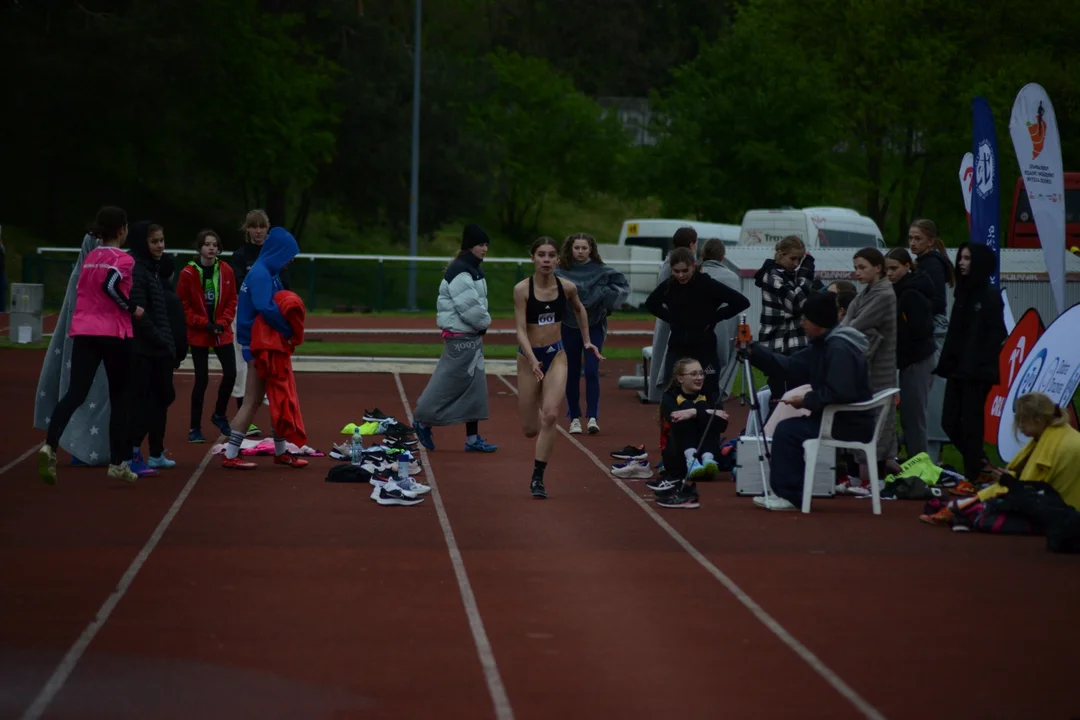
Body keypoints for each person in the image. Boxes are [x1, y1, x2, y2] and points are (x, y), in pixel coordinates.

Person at [38, 207, 143, 485]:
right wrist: (132, 307)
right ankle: (118, 463)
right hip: (114, 334)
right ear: (121, 229)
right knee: (120, 396)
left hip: (84, 332)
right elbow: (111, 286)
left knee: (76, 392)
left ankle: (50, 444)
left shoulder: (90, 257)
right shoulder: (123, 259)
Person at [749, 292, 875, 511]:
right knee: (790, 429)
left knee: (788, 431)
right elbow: (789, 367)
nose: (801, 323)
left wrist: (805, 400)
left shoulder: (838, 349)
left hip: (849, 423)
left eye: (805, 318)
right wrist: (752, 351)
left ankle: (789, 495)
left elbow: (840, 392)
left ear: (819, 322)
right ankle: (789, 492)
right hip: (837, 417)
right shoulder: (824, 344)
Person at [514, 237, 602, 499]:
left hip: (556, 355)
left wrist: (587, 341)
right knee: (530, 429)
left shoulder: (567, 287)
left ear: (557, 259)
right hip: (529, 356)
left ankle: (538, 478)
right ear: (533, 258)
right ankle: (539, 403)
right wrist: (532, 360)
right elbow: (519, 330)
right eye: (541, 255)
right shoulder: (522, 289)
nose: (547, 260)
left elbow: (580, 310)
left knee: (551, 416)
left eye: (551, 255)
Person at [920, 392, 1080, 527]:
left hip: (1063, 514)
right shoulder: (1056, 434)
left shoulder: (1051, 446)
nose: (1019, 426)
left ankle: (960, 510)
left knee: (985, 513)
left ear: (1037, 420)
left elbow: (1029, 493)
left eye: (1021, 420)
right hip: (1065, 508)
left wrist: (1004, 483)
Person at [221, 226, 308, 470]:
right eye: (290, 254)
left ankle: (280, 451)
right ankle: (230, 454)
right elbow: (265, 307)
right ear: (279, 251)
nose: (291, 259)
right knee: (253, 400)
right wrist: (289, 330)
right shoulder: (261, 273)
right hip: (258, 346)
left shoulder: (269, 272)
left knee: (276, 396)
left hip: (266, 343)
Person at [413, 223, 498, 454]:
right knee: (449, 384)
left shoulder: (472, 268)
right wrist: (484, 324)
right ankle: (422, 420)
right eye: (481, 244)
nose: (485, 249)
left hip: (471, 338)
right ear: (470, 246)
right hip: (461, 340)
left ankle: (472, 439)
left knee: (475, 390)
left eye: (487, 244)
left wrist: (480, 326)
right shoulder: (461, 271)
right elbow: (470, 308)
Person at [34, 231, 115, 466]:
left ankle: (54, 445)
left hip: (82, 338)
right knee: (96, 393)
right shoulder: (109, 267)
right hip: (98, 339)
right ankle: (109, 454)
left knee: (78, 392)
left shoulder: (84, 274)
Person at [934, 242, 1007, 493]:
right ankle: (981, 465)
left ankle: (973, 476)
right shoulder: (963, 293)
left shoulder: (989, 295)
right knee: (949, 421)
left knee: (972, 424)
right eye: (961, 258)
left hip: (977, 373)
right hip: (957, 370)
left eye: (967, 258)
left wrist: (977, 362)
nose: (962, 263)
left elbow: (997, 333)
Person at [646, 247, 750, 400]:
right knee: (672, 390)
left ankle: (709, 420)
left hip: (704, 346)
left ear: (694, 265)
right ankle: (674, 421)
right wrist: (672, 318)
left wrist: (714, 317)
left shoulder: (707, 284)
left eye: (685, 270)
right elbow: (651, 304)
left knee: (709, 391)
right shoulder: (670, 286)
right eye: (676, 271)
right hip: (678, 345)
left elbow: (741, 302)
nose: (681, 275)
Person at [555, 233, 629, 435]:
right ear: (570, 248)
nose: (580, 252)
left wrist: (606, 298)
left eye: (584, 248)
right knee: (571, 372)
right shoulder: (560, 271)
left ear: (591, 250)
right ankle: (574, 418)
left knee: (591, 370)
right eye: (576, 248)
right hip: (569, 326)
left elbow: (622, 287)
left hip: (595, 325)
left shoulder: (602, 271)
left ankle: (593, 416)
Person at [841, 248, 898, 477]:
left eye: (862, 267)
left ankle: (877, 479)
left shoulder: (884, 295)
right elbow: (848, 320)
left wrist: (849, 326)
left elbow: (854, 325)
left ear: (878, 268)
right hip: (865, 367)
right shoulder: (865, 293)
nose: (857, 272)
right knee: (864, 420)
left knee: (880, 423)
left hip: (881, 369)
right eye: (855, 268)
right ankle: (863, 477)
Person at [178, 230, 238, 443]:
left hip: (222, 330)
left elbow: (232, 299)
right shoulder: (187, 273)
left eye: (215, 244)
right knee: (201, 379)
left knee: (231, 373)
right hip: (199, 333)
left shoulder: (226, 270)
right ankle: (194, 427)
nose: (211, 248)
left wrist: (222, 322)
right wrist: (204, 323)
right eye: (207, 244)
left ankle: (219, 414)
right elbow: (183, 305)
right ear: (199, 248)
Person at [229, 209, 280, 437]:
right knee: (243, 362)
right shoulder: (240, 256)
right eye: (254, 227)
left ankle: (278, 422)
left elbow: (283, 283)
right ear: (247, 229)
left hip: (269, 311)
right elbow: (239, 283)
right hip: (247, 312)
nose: (258, 231)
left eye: (262, 227)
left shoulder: (274, 254)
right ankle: (244, 418)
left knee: (273, 362)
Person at [656, 357, 730, 509]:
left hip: (708, 452)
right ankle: (691, 460)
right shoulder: (669, 396)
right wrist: (707, 411)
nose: (700, 377)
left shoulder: (711, 393)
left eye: (702, 373)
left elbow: (722, 425)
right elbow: (675, 419)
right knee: (686, 415)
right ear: (680, 378)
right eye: (694, 374)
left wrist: (693, 412)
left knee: (699, 414)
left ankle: (707, 460)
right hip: (677, 458)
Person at [754, 235, 816, 407]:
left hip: (793, 343)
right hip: (779, 344)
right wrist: (807, 271)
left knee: (797, 397)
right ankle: (773, 431)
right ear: (780, 254)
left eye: (800, 259)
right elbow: (797, 303)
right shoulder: (772, 276)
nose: (796, 263)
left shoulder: (789, 275)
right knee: (782, 400)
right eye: (793, 258)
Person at [885, 248, 936, 458]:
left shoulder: (911, 294)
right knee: (909, 414)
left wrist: (902, 349)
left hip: (918, 359)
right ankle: (915, 457)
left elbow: (921, 329)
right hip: (911, 360)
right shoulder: (902, 290)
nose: (890, 273)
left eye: (894, 268)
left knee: (914, 415)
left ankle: (919, 463)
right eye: (887, 269)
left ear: (907, 266)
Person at [647, 227, 699, 398]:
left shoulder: (672, 261)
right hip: (671, 320)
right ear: (692, 244)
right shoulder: (673, 264)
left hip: (671, 319)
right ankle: (663, 393)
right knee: (667, 358)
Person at [699, 239, 743, 398]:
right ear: (723, 256)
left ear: (702, 254)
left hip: (700, 327)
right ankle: (720, 391)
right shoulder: (732, 277)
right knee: (723, 360)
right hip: (725, 327)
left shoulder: (696, 273)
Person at [907, 219, 954, 360]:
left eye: (917, 238)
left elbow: (938, 300)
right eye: (910, 238)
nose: (912, 243)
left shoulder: (932, 265)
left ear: (930, 242)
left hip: (932, 329)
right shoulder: (922, 262)